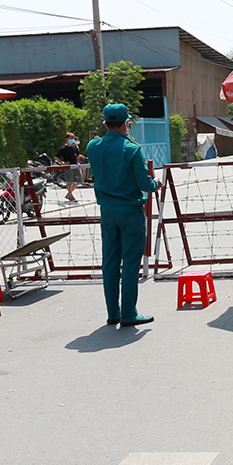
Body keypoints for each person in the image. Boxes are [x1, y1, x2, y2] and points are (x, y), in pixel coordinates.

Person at [87, 103, 159, 327]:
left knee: (110, 263)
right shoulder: (132, 149)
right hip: (130, 211)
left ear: (105, 123)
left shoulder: (93, 147)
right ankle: (128, 312)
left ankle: (113, 312)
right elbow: (144, 184)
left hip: (107, 211)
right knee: (129, 263)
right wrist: (157, 183)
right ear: (127, 123)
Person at [57, 131, 82, 202]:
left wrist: (77, 161)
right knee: (69, 181)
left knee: (78, 181)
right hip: (68, 167)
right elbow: (56, 157)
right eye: (70, 138)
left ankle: (68, 194)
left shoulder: (75, 147)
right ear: (67, 139)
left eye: (73, 138)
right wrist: (62, 164)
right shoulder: (63, 148)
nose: (72, 140)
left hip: (75, 166)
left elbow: (77, 155)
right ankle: (71, 196)